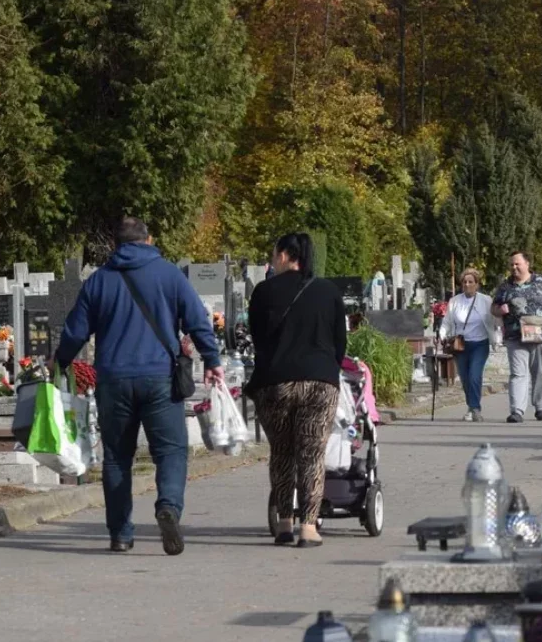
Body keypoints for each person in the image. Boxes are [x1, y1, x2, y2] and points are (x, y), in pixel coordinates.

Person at [56, 218, 223, 556]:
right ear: (149, 239)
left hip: (113, 379)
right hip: (160, 377)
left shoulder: (98, 281)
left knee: (117, 457)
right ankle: (168, 507)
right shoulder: (170, 275)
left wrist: (59, 362)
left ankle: (120, 534)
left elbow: (76, 331)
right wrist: (213, 360)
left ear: (115, 244)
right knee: (170, 451)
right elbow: (196, 320)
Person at [247, 233, 347, 547]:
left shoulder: (264, 291)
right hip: (319, 381)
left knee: (282, 453)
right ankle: (308, 526)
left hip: (275, 382)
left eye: (274, 255)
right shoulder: (328, 291)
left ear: (288, 255)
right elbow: (339, 343)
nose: (271, 260)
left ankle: (284, 524)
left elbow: (258, 339)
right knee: (312, 455)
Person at [492, 251, 542, 423]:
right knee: (518, 373)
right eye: (512, 264)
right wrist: (499, 310)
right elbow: (493, 307)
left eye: (517, 264)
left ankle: (540, 407)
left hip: (538, 333)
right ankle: (517, 411)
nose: (514, 267)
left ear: (527, 264)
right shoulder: (505, 286)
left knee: (539, 372)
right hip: (515, 335)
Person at [439, 268, 496, 422]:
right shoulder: (455, 301)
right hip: (461, 345)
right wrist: (442, 335)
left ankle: (476, 408)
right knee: (465, 378)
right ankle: (471, 407)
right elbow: (447, 321)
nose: (467, 284)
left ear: (477, 284)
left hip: (480, 344)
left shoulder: (485, 300)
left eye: (471, 282)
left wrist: (498, 337)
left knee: (474, 376)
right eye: (464, 282)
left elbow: (494, 321)